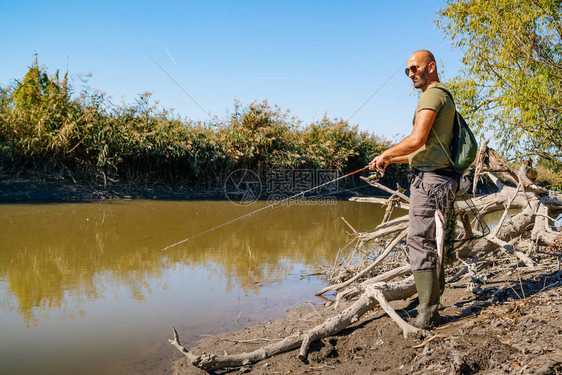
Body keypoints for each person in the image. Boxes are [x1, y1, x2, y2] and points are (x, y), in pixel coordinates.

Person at [369, 50, 458, 329]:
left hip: (431, 183)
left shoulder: (432, 95)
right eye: (407, 70)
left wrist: (386, 150)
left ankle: (427, 313)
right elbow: (423, 150)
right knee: (434, 242)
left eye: (414, 68)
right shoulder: (443, 95)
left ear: (430, 67)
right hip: (439, 179)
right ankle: (431, 307)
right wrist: (388, 159)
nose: (411, 74)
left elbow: (416, 139)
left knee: (419, 241)